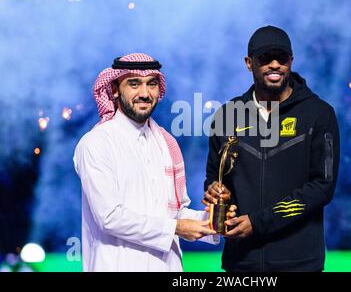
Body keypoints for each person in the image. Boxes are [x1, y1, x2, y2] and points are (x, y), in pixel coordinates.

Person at [74, 53, 236, 271]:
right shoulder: (97, 143)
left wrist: (214, 220)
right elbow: (109, 217)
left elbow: (174, 211)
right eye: (134, 84)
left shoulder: (166, 143)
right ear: (114, 89)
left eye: (152, 84)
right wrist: (176, 228)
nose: (144, 93)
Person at [203, 26, 340, 271]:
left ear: (291, 61)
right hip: (241, 262)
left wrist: (259, 222)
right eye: (265, 58)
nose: (274, 64)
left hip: (299, 264)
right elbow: (214, 176)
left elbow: (322, 188)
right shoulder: (227, 115)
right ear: (249, 62)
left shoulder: (319, 113)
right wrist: (216, 191)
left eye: (282, 58)